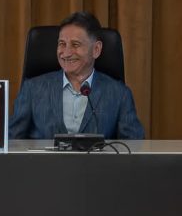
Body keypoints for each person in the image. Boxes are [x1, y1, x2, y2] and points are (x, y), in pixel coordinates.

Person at [9, 11, 145, 140]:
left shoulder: (119, 94)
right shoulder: (32, 89)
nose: (66, 53)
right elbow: (11, 141)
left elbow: (135, 147)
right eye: (62, 44)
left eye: (75, 44)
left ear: (96, 49)